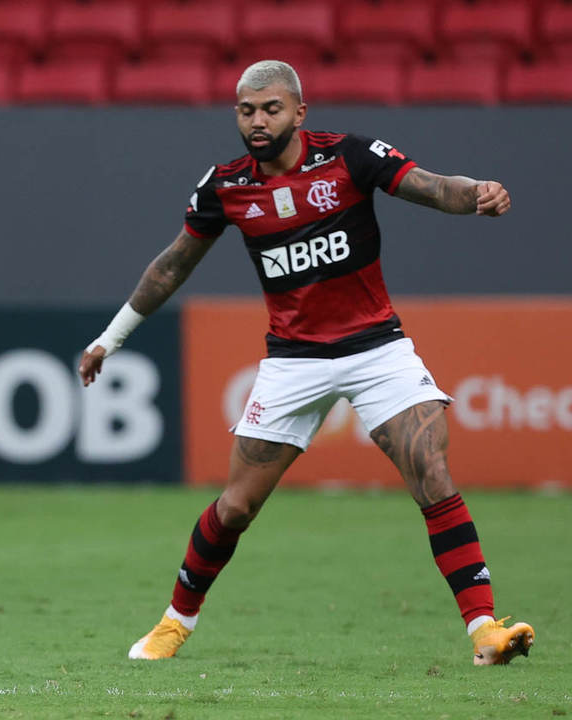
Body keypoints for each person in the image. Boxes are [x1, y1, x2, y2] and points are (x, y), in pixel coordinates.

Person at [78, 60, 533, 666]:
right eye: (246, 110)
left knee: (431, 471)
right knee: (236, 506)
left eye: (270, 108)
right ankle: (174, 623)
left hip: (376, 348)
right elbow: (172, 265)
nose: (258, 121)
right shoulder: (227, 186)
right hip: (293, 362)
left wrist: (475, 193)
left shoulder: (349, 156)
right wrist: (112, 338)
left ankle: (484, 630)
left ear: (299, 112)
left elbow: (428, 184)